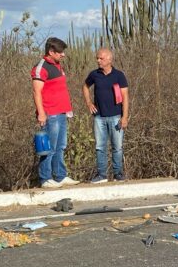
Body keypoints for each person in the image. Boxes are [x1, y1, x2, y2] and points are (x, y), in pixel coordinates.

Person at [31, 37, 80, 188]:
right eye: (60, 52)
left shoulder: (57, 65)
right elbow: (36, 91)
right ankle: (45, 178)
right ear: (51, 52)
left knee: (60, 146)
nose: (63, 55)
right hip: (50, 113)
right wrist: (41, 113)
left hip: (61, 112)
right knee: (49, 147)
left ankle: (60, 175)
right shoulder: (41, 67)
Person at [82, 48, 129, 182]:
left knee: (117, 147)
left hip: (116, 117)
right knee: (100, 147)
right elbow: (85, 87)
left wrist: (124, 116)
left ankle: (118, 174)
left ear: (109, 59)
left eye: (101, 58)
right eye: (97, 58)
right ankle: (101, 175)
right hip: (99, 117)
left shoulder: (119, 75)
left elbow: (125, 96)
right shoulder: (94, 74)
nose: (98, 61)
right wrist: (89, 103)